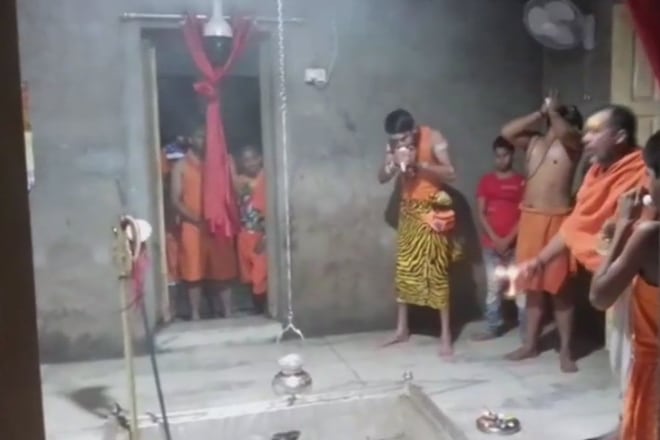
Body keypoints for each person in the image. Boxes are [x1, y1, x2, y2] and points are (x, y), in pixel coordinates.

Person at [513, 104, 649, 378]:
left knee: (643, 359)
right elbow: (574, 226)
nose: (586, 138)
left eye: (595, 132)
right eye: (586, 132)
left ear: (620, 136)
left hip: (643, 280)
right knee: (624, 360)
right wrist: (539, 261)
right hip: (613, 279)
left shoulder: (643, 173)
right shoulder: (594, 174)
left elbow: (642, 231)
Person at [500, 90, 584, 372]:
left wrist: (555, 112)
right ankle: (530, 345)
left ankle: (566, 351)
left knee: (560, 291)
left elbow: (566, 133)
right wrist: (540, 112)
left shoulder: (573, 144)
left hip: (557, 220)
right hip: (530, 219)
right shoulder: (533, 142)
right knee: (533, 288)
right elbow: (507, 132)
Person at [587, 130, 660, 440]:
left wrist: (623, 226)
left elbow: (599, 296)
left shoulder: (649, 236)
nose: (645, 180)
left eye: (649, 173)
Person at [378, 109, 462, 356]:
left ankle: (445, 335)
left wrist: (421, 164)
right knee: (404, 271)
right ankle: (401, 329)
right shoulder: (393, 145)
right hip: (408, 212)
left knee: (437, 273)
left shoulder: (433, 137)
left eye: (404, 138)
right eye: (395, 140)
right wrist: (392, 165)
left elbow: (451, 173)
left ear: (413, 130)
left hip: (432, 211)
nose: (400, 143)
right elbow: (381, 178)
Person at [171, 127, 238, 320]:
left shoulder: (223, 161)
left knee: (223, 270)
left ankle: (227, 312)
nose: (205, 141)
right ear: (192, 139)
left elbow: (234, 190)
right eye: (201, 137)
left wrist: (228, 165)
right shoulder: (181, 166)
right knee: (193, 272)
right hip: (192, 226)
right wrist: (196, 219)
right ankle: (195, 314)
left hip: (218, 224)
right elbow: (175, 200)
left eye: (208, 136)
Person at [472, 137, 526, 341]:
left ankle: (526, 330)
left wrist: (509, 239)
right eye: (498, 156)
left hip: (516, 244)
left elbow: (525, 215)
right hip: (491, 245)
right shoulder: (486, 181)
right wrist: (496, 239)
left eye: (505, 155)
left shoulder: (521, 182)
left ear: (512, 155)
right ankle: (492, 327)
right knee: (493, 287)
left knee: (520, 287)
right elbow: (481, 213)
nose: (501, 159)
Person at [234, 144, 268, 315]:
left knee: (260, 275)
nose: (251, 163)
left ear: (260, 158)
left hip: (261, 233)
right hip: (244, 234)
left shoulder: (268, 178)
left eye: (253, 158)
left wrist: (266, 237)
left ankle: (265, 310)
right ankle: (257, 310)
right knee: (248, 276)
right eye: (246, 160)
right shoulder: (239, 181)